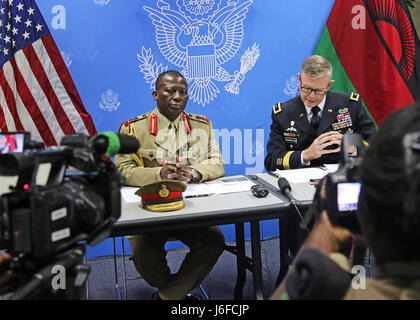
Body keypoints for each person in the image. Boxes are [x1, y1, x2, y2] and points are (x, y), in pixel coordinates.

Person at [271, 103, 420, 300]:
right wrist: (305, 154)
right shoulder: (285, 113)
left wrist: (321, 238)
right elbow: (273, 158)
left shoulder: (329, 288)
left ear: (367, 217)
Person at [114, 70, 226, 300]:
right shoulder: (134, 129)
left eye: (182, 92)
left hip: (189, 211)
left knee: (214, 240)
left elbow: (217, 163)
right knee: (143, 252)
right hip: (148, 211)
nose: (177, 97)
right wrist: (158, 174)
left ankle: (167, 297)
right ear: (156, 94)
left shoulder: (201, 126)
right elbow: (122, 170)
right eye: (170, 91)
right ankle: (174, 292)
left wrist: (193, 173)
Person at [265, 55, 376, 171]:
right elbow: (271, 160)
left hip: (342, 178)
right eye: (306, 88)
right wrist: (304, 155)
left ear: (329, 85)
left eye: (318, 91)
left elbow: (376, 147)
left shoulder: (350, 105)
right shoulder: (284, 113)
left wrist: (353, 147)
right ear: (299, 80)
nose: (311, 96)